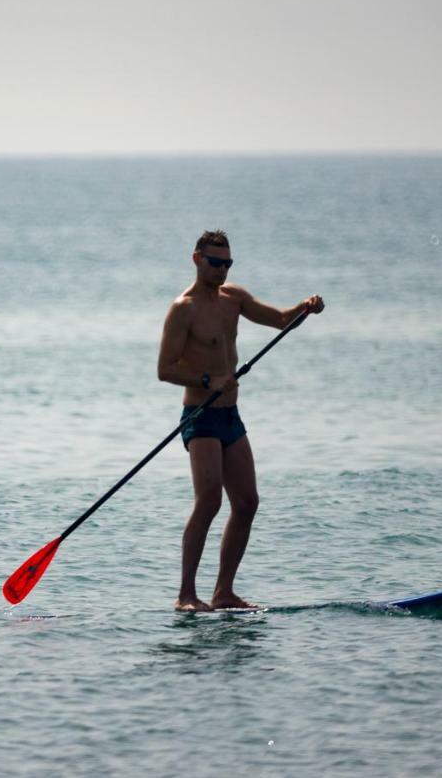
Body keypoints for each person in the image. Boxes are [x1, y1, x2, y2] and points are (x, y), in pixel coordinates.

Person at [156, 230, 324, 611]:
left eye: (228, 263)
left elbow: (281, 320)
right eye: (216, 263)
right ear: (197, 259)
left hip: (231, 416)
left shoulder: (234, 299)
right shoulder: (183, 308)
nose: (222, 270)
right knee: (209, 501)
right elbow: (164, 369)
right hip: (200, 418)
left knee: (247, 502)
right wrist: (206, 380)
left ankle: (224, 593)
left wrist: (305, 307)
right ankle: (186, 595)